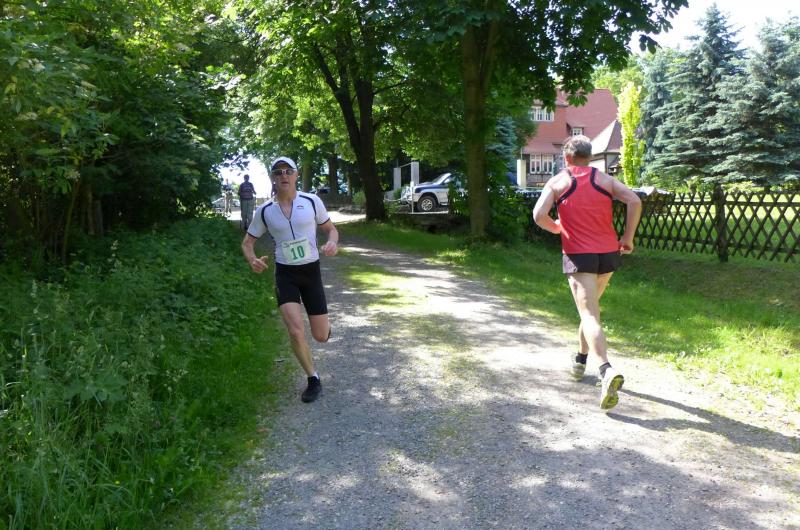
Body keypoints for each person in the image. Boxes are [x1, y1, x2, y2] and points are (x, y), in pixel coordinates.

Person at [532, 135, 642, 410]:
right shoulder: (604, 179)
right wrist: (628, 238)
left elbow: (538, 215)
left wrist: (557, 228)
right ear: (590, 157)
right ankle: (581, 360)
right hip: (608, 254)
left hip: (579, 256)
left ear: (566, 158)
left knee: (590, 314)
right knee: (590, 310)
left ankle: (605, 369)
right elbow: (634, 201)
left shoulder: (558, 182)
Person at [241, 156, 339, 403]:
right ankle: (313, 378)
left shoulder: (312, 201)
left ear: (295, 175)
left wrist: (332, 242)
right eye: (278, 172)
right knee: (295, 331)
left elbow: (331, 229)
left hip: (311, 272)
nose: (283, 175)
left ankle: (325, 329)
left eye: (288, 171)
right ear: (273, 178)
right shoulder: (265, 211)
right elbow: (248, 243)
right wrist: (252, 259)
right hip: (285, 274)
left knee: (320, 335)